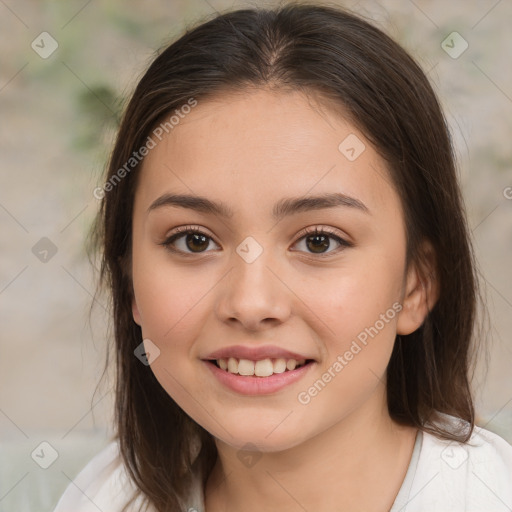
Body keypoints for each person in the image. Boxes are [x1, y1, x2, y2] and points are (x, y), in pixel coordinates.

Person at [53, 3, 512, 511]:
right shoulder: (102, 498)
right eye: (194, 240)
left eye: (319, 241)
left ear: (416, 285)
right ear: (131, 278)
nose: (251, 304)